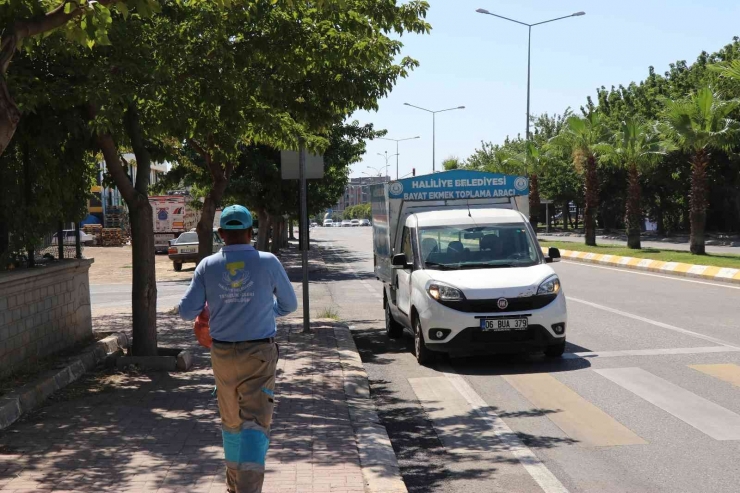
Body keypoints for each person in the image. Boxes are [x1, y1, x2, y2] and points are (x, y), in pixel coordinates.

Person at [179, 204, 298, 493]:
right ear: (249, 232)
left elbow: (186, 311)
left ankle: (234, 487)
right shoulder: (268, 262)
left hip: (222, 355)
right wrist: (264, 308)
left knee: (231, 422)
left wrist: (215, 306)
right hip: (258, 355)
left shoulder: (208, 265)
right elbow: (290, 305)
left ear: (221, 234)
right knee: (255, 424)